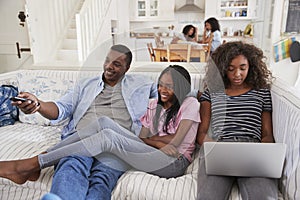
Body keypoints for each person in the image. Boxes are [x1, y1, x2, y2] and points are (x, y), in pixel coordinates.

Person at [0, 65, 200, 198]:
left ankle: (33, 164)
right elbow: (144, 138)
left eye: (170, 86)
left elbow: (176, 143)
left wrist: (160, 142)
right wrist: (159, 142)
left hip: (174, 163)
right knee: (103, 122)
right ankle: (34, 163)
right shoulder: (153, 105)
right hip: (152, 152)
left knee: (107, 139)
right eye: (161, 84)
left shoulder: (190, 103)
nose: (163, 89)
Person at [2, 44, 157, 200]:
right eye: (107, 61)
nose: (109, 67)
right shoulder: (85, 84)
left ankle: (30, 167)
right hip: (80, 139)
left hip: (117, 145)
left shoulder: (143, 84)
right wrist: (38, 105)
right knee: (71, 165)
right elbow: (60, 109)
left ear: (127, 68)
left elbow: (169, 99)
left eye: (116, 64)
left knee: (102, 178)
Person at [196, 41, 278, 200]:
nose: (237, 74)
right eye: (231, 69)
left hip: (253, 148)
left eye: (242, 68)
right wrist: (215, 149)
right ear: (222, 69)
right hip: (219, 147)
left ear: (251, 66)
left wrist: (265, 154)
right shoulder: (212, 93)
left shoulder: (261, 92)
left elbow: (267, 133)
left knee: (265, 197)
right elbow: (202, 133)